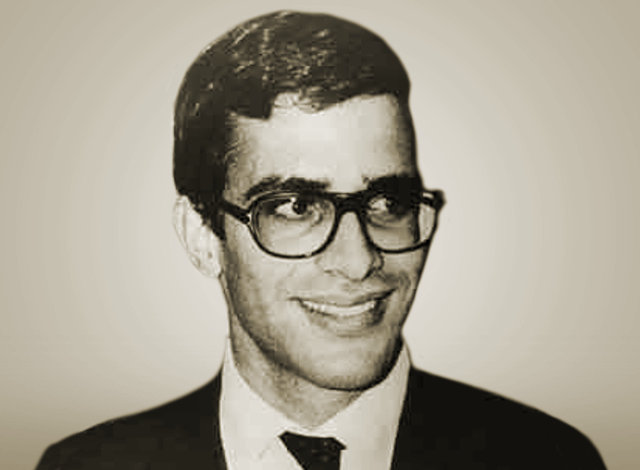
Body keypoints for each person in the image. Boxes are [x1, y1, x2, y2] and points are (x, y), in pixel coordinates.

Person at [35, 10, 606, 470]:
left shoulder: (548, 460)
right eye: (296, 207)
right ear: (203, 236)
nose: (359, 261)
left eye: (388, 202)